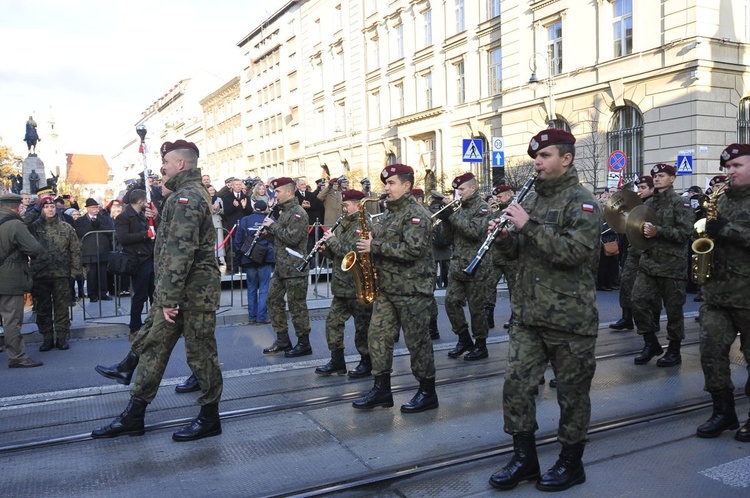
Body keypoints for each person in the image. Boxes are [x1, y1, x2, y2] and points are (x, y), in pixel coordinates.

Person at [487, 129, 601, 492]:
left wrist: (527, 226)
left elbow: (574, 254)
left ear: (566, 159)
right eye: (536, 156)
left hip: (569, 320)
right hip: (528, 317)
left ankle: (571, 462)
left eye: (546, 155)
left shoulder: (582, 202)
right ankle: (525, 460)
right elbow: (516, 256)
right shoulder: (532, 201)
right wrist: (504, 239)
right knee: (516, 388)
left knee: (572, 395)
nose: (537, 161)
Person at [91, 139, 223, 442]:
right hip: (180, 294)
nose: (161, 167)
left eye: (166, 162)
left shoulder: (186, 198)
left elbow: (180, 253)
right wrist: (159, 218)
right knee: (152, 349)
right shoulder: (184, 196)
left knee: (201, 356)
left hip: (192, 295)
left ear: (181, 164)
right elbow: (175, 243)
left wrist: (167, 300)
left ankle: (209, 417)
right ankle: (134, 415)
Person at [351, 163, 438, 413]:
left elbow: (413, 251)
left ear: (406, 186)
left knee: (417, 342)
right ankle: (381, 390)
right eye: (385, 184)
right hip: (388, 289)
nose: (386, 188)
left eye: (391, 184)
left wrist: (374, 247)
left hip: (412, 290)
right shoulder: (389, 212)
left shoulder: (417, 214)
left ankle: (427, 390)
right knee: (377, 337)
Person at [694, 143, 750, 441]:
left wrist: (727, 229)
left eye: (737, 166)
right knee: (711, 352)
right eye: (727, 167)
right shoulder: (721, 198)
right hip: (717, 293)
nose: (730, 172)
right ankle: (723, 411)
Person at [630, 164, 694, 367]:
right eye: (655, 176)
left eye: (661, 176)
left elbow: (685, 234)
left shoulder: (680, 203)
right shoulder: (648, 204)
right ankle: (650, 342)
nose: (656, 179)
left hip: (672, 265)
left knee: (674, 310)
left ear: (672, 178)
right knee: (637, 301)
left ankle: (674, 350)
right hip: (648, 262)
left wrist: (658, 231)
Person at [314, 189, 373, 377]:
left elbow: (351, 253)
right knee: (333, 323)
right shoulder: (346, 224)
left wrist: (331, 241)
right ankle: (337, 361)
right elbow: (339, 256)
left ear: (357, 205)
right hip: (341, 285)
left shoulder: (363, 225)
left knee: (362, 327)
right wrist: (325, 249)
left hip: (357, 286)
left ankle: (366, 362)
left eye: (347, 205)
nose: (344, 208)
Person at [434, 172, 491, 361]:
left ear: (473, 188)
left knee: (476, 309)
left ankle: (481, 345)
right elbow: (449, 238)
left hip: (476, 266)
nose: (459, 194)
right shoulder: (459, 208)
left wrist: (453, 216)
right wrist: (446, 220)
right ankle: (464, 338)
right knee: (450, 302)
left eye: (462, 189)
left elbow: (474, 232)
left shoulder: (482, 208)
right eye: (457, 190)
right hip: (458, 265)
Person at [262, 177, 312, 357]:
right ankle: (283, 339)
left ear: (289, 192)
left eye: (277, 192)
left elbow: (292, 238)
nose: (275, 195)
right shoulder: (283, 212)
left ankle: (304, 343)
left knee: (297, 306)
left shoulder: (298, 213)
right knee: (272, 300)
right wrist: (266, 234)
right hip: (282, 267)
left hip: (295, 268)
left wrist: (273, 226)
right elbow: (281, 239)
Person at [27, 196, 81, 351]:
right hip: (40, 274)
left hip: (61, 274)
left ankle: (62, 337)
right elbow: (22, 225)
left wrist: (74, 272)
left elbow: (75, 250)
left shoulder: (66, 227)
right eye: (46, 207)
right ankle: (47, 337)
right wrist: (34, 210)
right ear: (41, 209)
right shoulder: (33, 227)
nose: (50, 209)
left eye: (52, 207)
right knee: (43, 308)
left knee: (61, 307)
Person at [0, 193, 44, 368]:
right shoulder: (15, 225)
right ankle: (17, 356)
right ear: (16, 207)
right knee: (11, 320)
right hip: (9, 280)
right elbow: (35, 249)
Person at [610, 176, 656, 331]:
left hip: (649, 251)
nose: (640, 191)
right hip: (632, 250)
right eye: (639, 187)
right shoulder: (636, 204)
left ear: (651, 188)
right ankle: (626, 318)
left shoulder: (654, 204)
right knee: (626, 283)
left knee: (651, 289)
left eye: (643, 187)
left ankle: (653, 320)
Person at [115, 189, 154, 340]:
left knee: (153, 294)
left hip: (147, 257)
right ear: (140, 201)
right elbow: (123, 238)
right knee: (140, 296)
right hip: (137, 260)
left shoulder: (141, 215)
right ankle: (134, 328)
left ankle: (154, 325)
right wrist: (145, 234)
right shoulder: (124, 217)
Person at [235, 200, 275, 325]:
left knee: (251, 288)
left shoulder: (245, 220)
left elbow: (238, 240)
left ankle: (252, 316)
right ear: (265, 209)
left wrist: (239, 256)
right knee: (264, 288)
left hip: (249, 257)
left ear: (253, 207)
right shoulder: (270, 220)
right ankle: (262, 317)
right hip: (265, 257)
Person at [486, 184, 517, 330]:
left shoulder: (517, 208)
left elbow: (513, 231)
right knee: (489, 286)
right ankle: (488, 316)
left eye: (499, 197)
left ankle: (515, 317)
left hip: (511, 258)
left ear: (508, 195)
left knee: (514, 288)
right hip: (496, 256)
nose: (496, 200)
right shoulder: (496, 210)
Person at [74, 198, 115, 302]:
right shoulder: (80, 220)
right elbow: (80, 232)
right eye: (93, 207)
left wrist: (98, 225)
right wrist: (92, 226)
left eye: (96, 207)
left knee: (102, 273)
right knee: (91, 274)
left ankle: (103, 293)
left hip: (102, 249)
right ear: (87, 209)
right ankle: (92, 294)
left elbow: (110, 229)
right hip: (89, 251)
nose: (95, 209)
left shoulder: (104, 218)